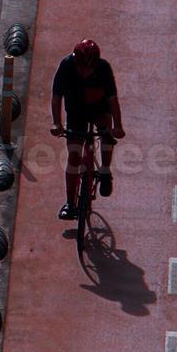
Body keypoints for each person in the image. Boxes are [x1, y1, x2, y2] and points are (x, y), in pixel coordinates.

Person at [50, 39, 125, 220]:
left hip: (99, 109)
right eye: (81, 67)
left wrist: (118, 126)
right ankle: (69, 202)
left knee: (106, 134)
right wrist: (57, 123)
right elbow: (56, 97)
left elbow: (112, 101)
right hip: (76, 111)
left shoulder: (104, 69)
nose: (84, 71)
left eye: (88, 68)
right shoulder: (66, 66)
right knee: (74, 156)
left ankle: (105, 170)